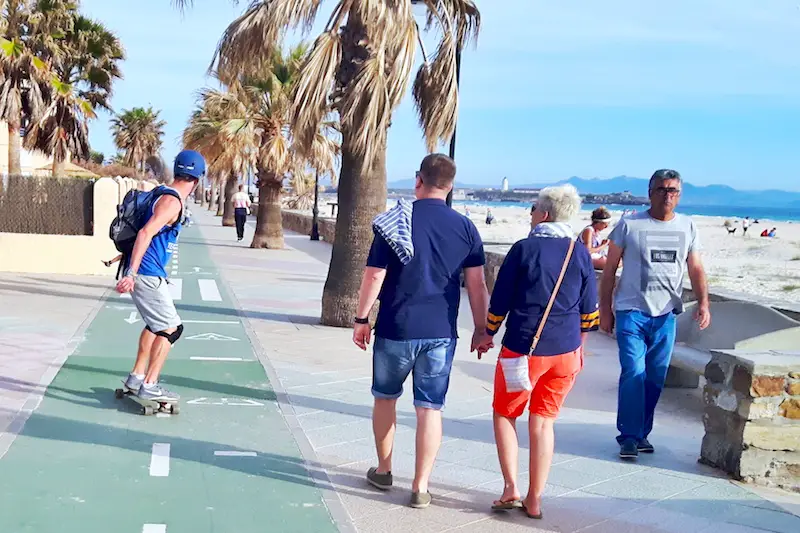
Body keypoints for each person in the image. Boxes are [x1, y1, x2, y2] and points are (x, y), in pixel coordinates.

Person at [352, 154, 490, 509]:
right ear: (450, 186)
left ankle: (384, 471)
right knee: (430, 409)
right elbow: (477, 286)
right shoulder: (466, 228)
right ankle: (421, 486)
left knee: (385, 398)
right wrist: (481, 328)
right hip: (441, 331)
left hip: (396, 327)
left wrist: (362, 318)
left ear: (418, 180)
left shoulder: (396, 222)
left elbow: (374, 275)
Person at [478, 185, 598, 519]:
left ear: (544, 214)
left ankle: (510, 489)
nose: (530, 213)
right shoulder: (580, 252)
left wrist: (487, 333)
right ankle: (535, 499)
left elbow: (500, 301)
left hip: (523, 350)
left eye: (533, 208)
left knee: (505, 414)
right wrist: (579, 351)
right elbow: (590, 311)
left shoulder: (524, 250)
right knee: (543, 424)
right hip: (566, 353)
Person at [600, 169, 711, 459]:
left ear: (679, 195)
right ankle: (627, 436)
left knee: (654, 378)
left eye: (673, 190)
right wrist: (605, 311)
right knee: (634, 372)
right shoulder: (629, 225)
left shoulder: (688, 227)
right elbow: (609, 270)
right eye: (661, 189)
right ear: (650, 193)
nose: (667, 195)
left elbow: (695, 267)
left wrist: (703, 303)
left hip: (666, 316)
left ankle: (641, 433)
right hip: (631, 312)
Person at [115, 150, 205, 401]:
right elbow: (145, 233)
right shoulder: (172, 201)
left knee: (154, 326)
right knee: (171, 329)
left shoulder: (159, 193)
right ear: (198, 179)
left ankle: (136, 377)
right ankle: (150, 385)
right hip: (147, 273)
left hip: (145, 270)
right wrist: (131, 273)